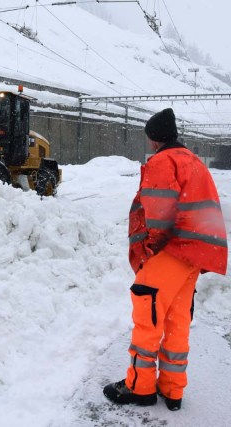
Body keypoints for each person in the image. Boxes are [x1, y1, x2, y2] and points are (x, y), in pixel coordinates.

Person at [103, 108, 228, 411]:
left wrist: (149, 249)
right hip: (193, 255)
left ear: (154, 138)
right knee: (176, 322)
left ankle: (139, 387)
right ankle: (172, 389)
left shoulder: (163, 161)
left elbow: (158, 211)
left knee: (147, 318)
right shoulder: (193, 161)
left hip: (170, 251)